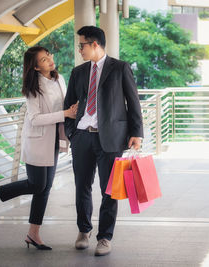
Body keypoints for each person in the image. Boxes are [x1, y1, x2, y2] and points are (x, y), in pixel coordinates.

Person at [0, 46, 78, 250]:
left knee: (44, 188)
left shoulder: (59, 79)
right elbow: (35, 118)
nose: (49, 59)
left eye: (48, 55)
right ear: (36, 68)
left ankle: (33, 234)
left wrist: (71, 110)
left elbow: (62, 106)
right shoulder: (33, 88)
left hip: (54, 141)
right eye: (43, 59)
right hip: (37, 141)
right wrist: (65, 114)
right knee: (37, 185)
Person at [64, 26, 143, 256]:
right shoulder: (78, 72)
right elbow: (68, 105)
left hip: (111, 138)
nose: (80, 50)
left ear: (95, 44)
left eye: (82, 45)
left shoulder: (120, 68)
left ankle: (105, 237)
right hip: (82, 137)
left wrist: (136, 133)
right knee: (82, 188)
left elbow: (133, 102)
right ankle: (83, 230)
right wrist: (72, 133)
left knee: (109, 190)